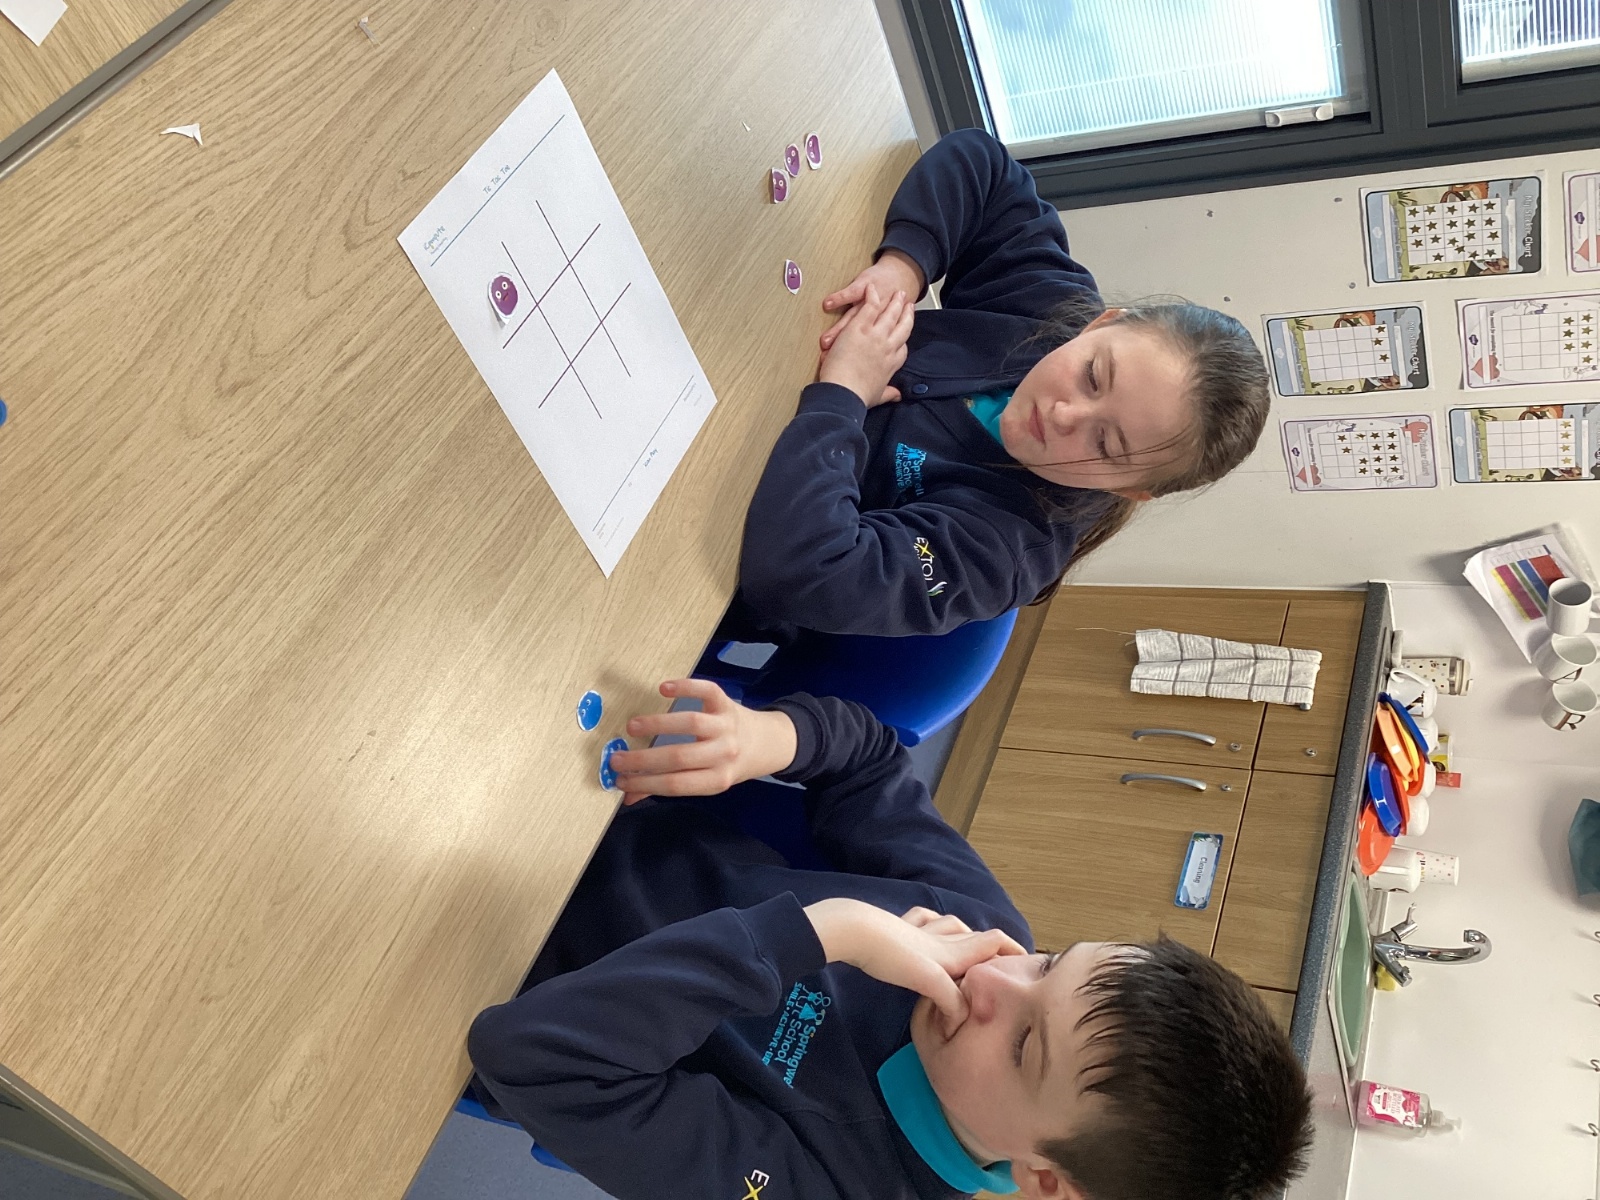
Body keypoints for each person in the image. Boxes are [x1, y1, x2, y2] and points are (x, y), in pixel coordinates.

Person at [467, 679, 1312, 1200]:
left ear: (1046, 1181)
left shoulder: (837, 1183)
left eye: (1025, 1046)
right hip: (570, 814)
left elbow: (535, 1059)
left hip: (471, 964)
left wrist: (822, 932)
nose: (994, 975)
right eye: (1050, 964)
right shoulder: (990, 935)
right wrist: (770, 739)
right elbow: (869, 762)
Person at [721, 128, 1270, 644]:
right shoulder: (1051, 315)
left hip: (727, 513)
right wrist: (904, 271)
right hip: (751, 384)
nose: (1064, 415)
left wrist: (843, 394)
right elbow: (982, 164)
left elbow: (804, 574)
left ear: (1130, 489)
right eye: (1092, 375)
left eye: (1105, 444)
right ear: (1101, 325)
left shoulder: (1006, 550)